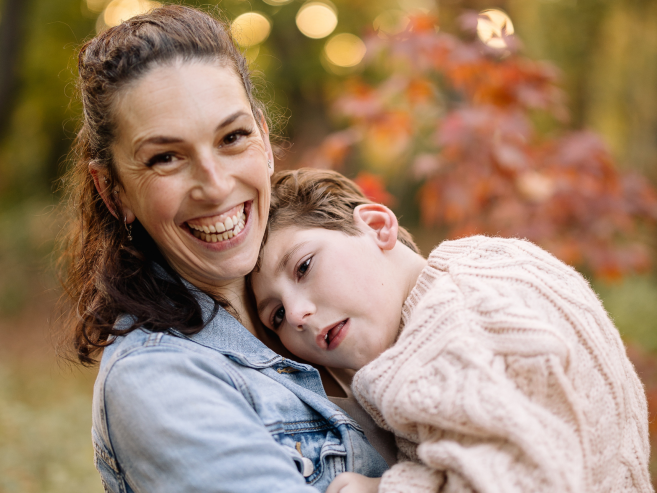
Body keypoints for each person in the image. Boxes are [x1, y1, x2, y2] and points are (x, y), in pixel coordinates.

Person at [58, 6, 390, 492]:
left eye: (232, 137)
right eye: (166, 158)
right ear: (114, 191)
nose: (214, 187)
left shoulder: (330, 276)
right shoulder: (158, 381)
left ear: (265, 138)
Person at [250, 168, 653, 493]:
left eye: (303, 267)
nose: (298, 315)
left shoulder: (448, 328)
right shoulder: (491, 265)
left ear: (375, 226)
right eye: (277, 316)